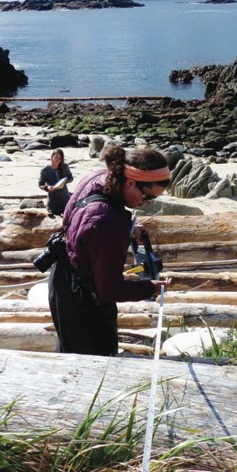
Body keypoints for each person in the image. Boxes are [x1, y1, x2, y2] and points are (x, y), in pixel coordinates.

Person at [48, 145, 173, 356]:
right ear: (131, 182)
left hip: (62, 277)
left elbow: (82, 222)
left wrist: (129, 228)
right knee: (94, 365)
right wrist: (149, 287)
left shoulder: (99, 177)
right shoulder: (106, 222)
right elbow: (109, 290)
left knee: (69, 351)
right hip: (83, 298)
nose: (146, 203)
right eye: (147, 196)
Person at [38, 148, 74, 216]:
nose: (58, 159)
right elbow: (40, 184)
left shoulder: (64, 167)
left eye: (60, 158)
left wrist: (65, 181)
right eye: (56, 157)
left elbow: (71, 178)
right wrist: (47, 187)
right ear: (52, 157)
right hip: (52, 202)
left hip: (65, 199)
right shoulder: (45, 170)